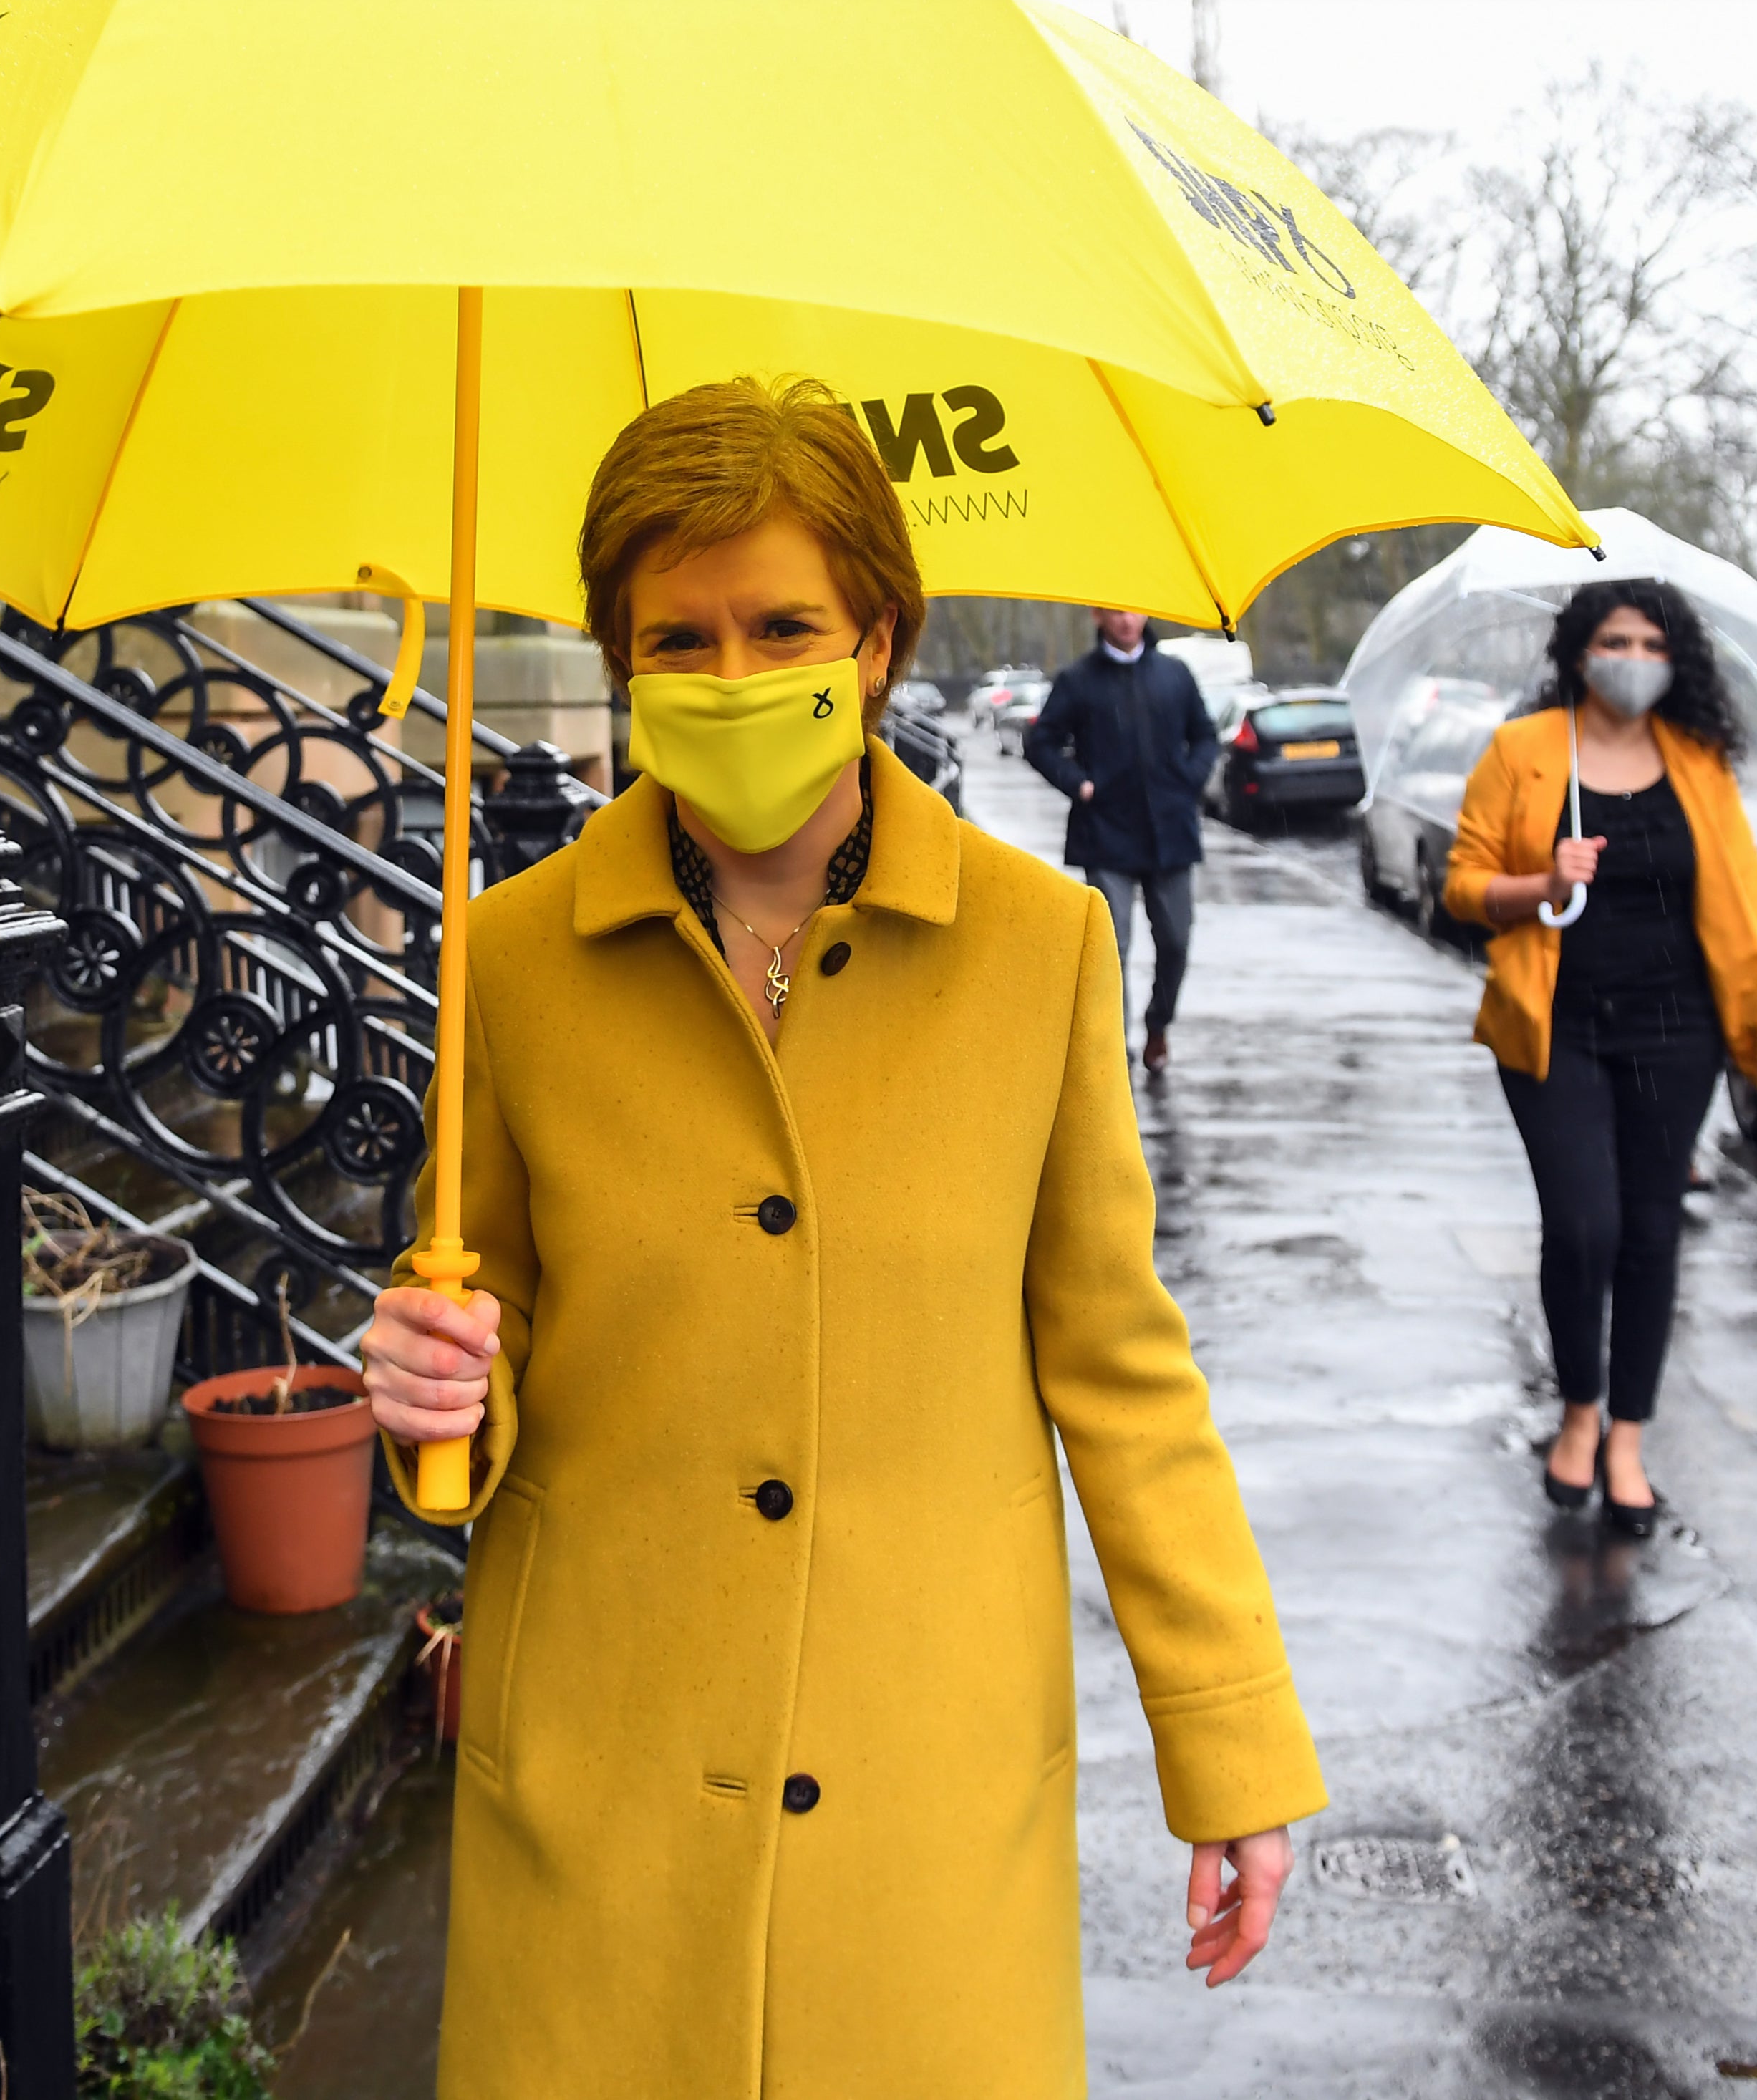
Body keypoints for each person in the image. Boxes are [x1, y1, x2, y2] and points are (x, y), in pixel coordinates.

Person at [358, 380, 1323, 2100]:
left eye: (783, 623)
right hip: (601, 1781)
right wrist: (435, 1385)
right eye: (682, 636)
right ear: (620, 658)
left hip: (929, 1786)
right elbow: (491, 1341)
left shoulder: (1043, 949)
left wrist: (1231, 1738)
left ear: (875, 636)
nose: (734, 676)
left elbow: (1119, 1367)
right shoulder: (508, 959)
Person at [1443, 580, 1757, 1538]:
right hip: (1552, 1027)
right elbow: (1459, 887)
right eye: (1615, 640)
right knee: (1582, 1228)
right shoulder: (1523, 752)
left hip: (1675, 1030)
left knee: (1650, 1233)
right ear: (1576, 653)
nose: (1633, 658)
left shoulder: (1696, 761)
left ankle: (1626, 1440)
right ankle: (1576, 1411)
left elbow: (1745, 919)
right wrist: (1538, 883)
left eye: (1652, 643)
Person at [1024, 606, 1219, 1070]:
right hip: (1106, 833)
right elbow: (1040, 742)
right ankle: (1116, 1053)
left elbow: (1206, 735)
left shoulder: (1174, 674)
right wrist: (1078, 783)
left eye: (1132, 611)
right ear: (1097, 617)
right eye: (1114, 612)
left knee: (1175, 941)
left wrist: (1188, 779)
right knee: (1112, 951)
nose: (1126, 621)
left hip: (1170, 834)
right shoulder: (1078, 680)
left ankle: (1157, 1023)